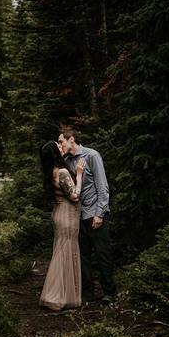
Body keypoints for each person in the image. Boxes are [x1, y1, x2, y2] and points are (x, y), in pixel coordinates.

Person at [59, 127, 116, 303]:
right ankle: (88, 294)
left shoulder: (91, 156)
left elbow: (102, 187)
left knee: (102, 253)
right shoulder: (67, 161)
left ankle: (109, 292)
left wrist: (100, 213)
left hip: (95, 214)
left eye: (62, 141)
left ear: (72, 139)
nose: (60, 145)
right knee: (83, 256)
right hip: (78, 216)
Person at [38, 141, 86, 311]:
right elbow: (74, 196)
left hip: (59, 213)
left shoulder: (51, 172)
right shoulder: (63, 171)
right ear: (55, 154)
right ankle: (59, 296)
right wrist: (79, 175)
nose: (61, 147)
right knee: (65, 253)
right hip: (67, 215)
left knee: (61, 252)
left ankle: (61, 293)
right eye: (58, 147)